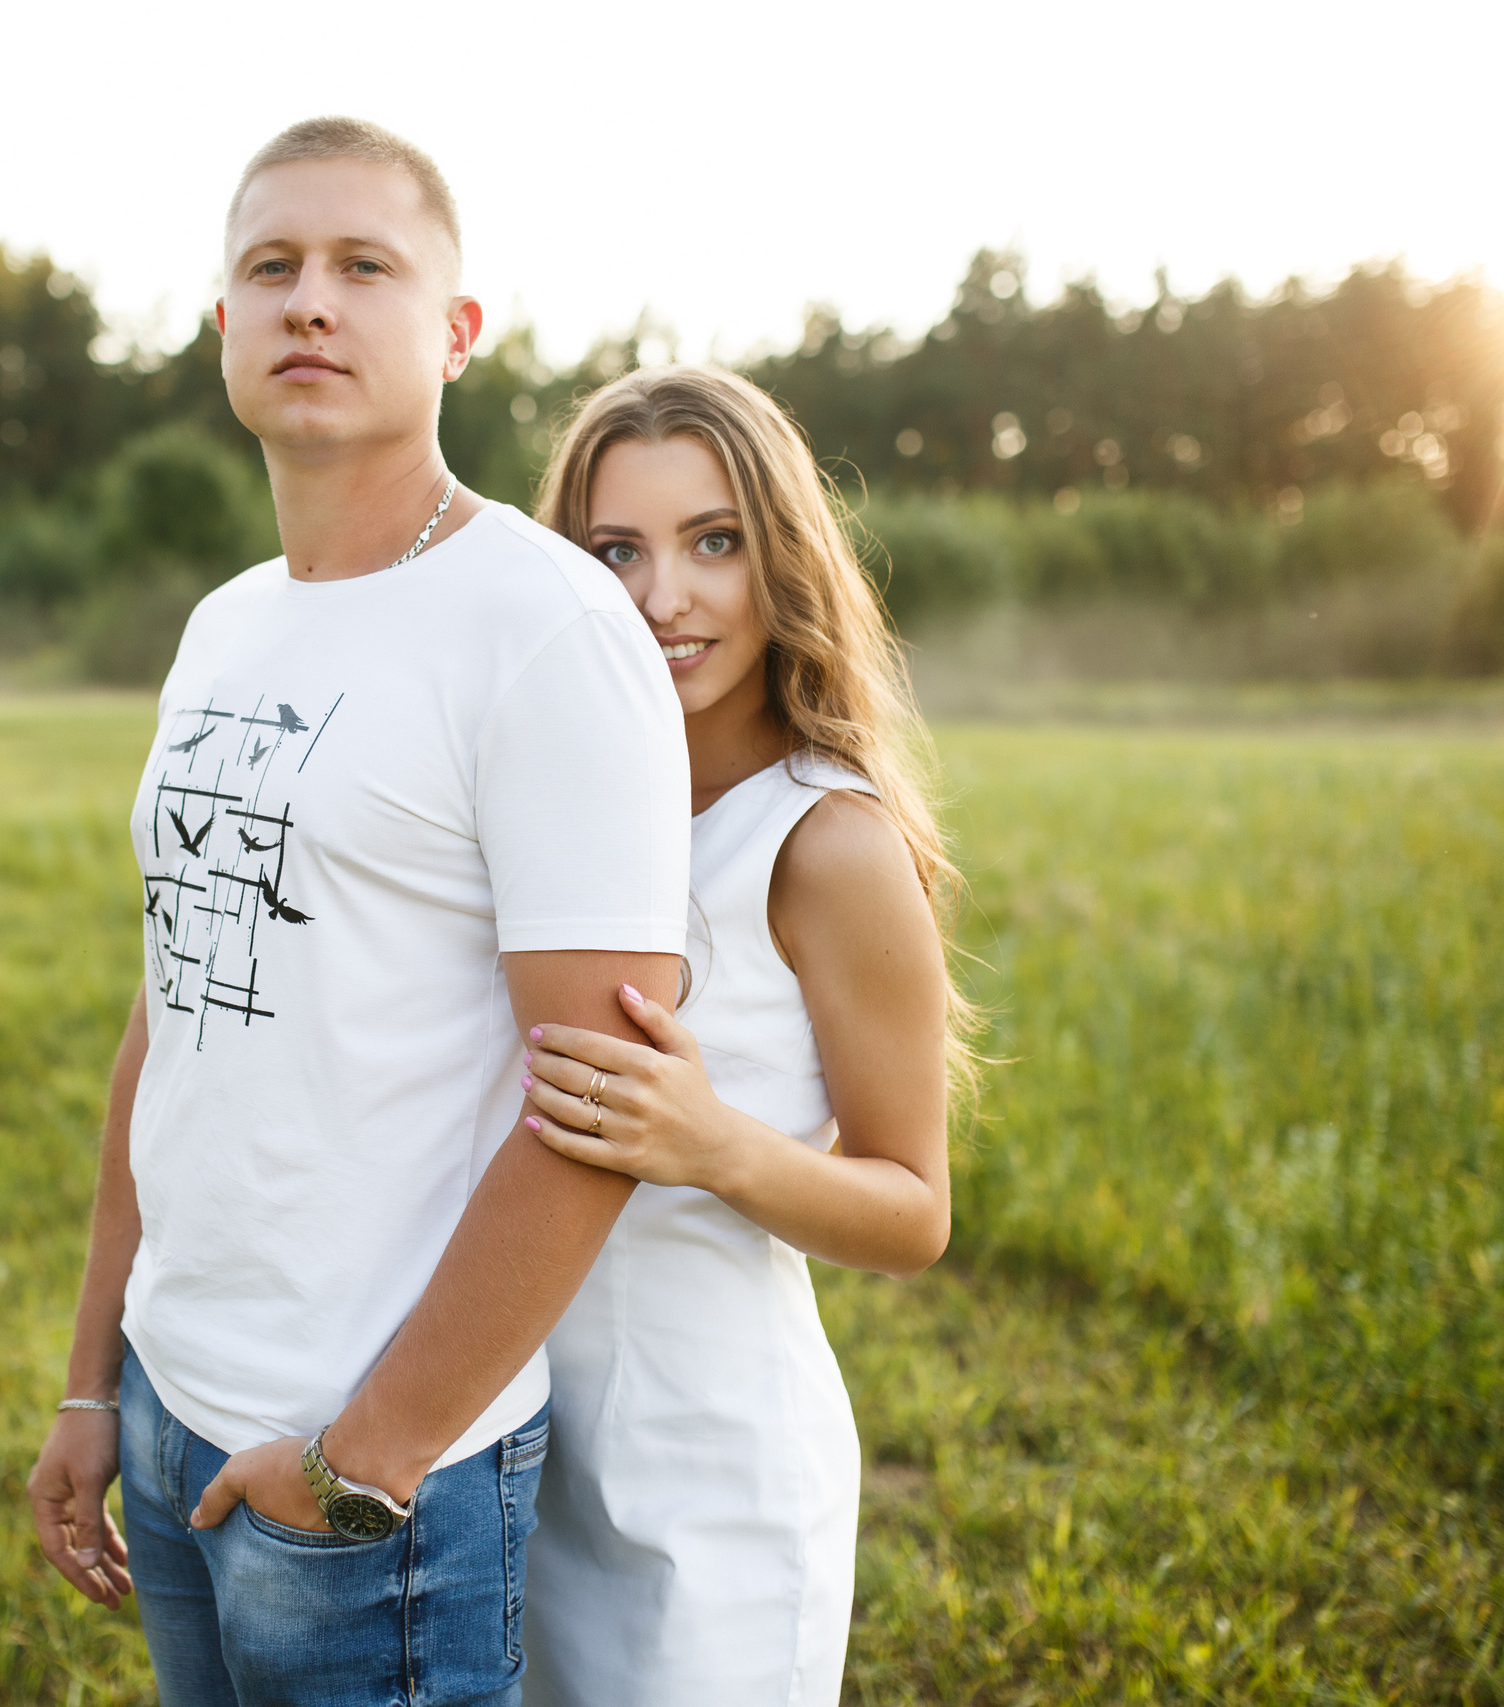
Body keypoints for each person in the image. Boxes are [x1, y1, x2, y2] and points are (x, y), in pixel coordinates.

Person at [22, 119, 691, 1707]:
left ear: (458, 333)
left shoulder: (543, 626)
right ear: (223, 327)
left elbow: (602, 1104)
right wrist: (92, 1380)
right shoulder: (225, 626)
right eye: (273, 267)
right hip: (178, 1416)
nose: (310, 302)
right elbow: (169, 1010)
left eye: (363, 267)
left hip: (385, 1481)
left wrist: (368, 1459)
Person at [515, 366, 975, 1707]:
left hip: (709, 1476)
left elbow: (913, 1210)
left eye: (714, 541)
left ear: (780, 556)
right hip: (524, 1443)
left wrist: (712, 1144)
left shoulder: (825, 840)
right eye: (618, 550)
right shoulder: (562, 807)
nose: (666, 596)